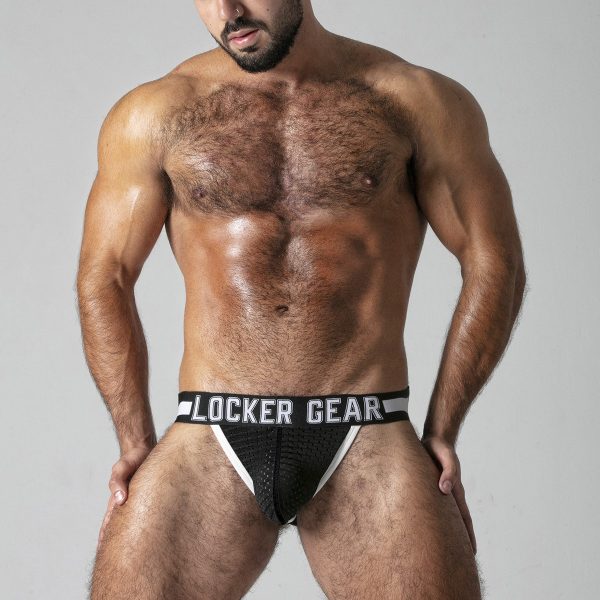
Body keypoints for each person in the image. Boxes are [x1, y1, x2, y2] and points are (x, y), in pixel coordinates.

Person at [76, 1, 526, 598]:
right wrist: (133, 439)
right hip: (212, 427)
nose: (228, 10)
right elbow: (105, 274)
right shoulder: (156, 113)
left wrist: (444, 426)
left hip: (365, 425)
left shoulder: (415, 100)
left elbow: (494, 260)